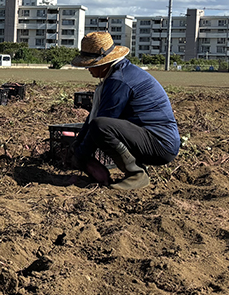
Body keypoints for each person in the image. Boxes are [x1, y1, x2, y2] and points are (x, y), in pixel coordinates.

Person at [71, 31, 181, 191]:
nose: (88, 69)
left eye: (89, 64)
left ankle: (137, 174)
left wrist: (81, 156)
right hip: (149, 137)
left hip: (161, 144)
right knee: (99, 125)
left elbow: (101, 122)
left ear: (103, 63)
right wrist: (78, 145)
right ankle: (135, 170)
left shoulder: (119, 81)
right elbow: (93, 118)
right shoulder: (118, 74)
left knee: (101, 126)